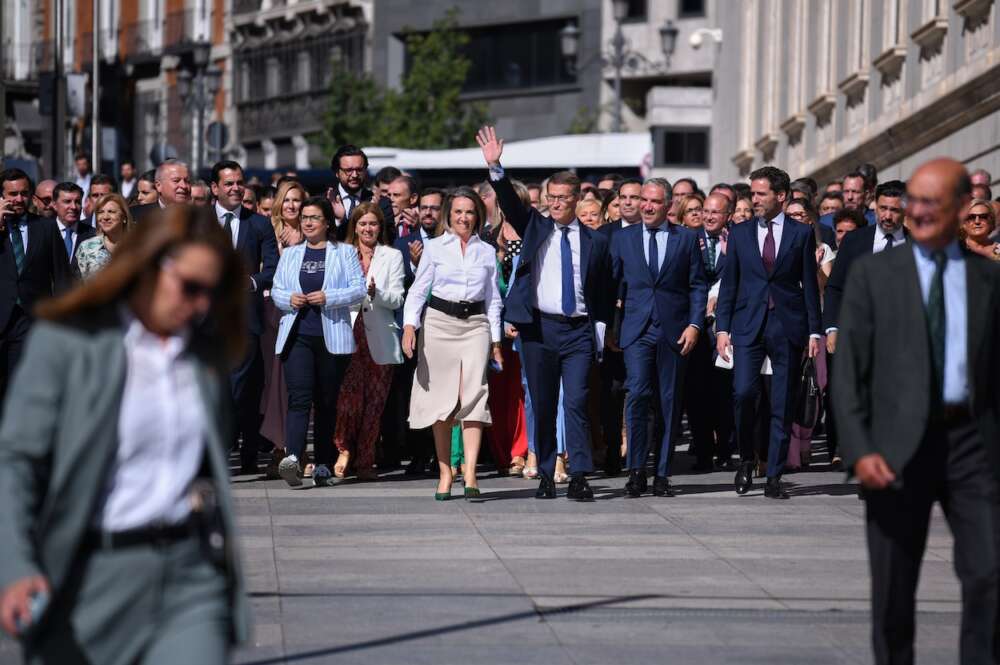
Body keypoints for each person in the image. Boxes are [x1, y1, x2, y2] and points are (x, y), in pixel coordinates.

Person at [0, 204, 250, 664]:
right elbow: (15, 461)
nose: (199, 305)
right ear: (148, 267)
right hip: (89, 576)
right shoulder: (68, 343)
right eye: (190, 287)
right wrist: (14, 566)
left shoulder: (202, 355)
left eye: (210, 294)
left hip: (189, 576)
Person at [833, 158, 1000, 665]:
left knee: (990, 573)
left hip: (973, 445)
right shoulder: (873, 275)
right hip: (895, 446)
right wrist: (859, 450)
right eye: (915, 202)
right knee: (893, 585)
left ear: (959, 209)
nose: (920, 211)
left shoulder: (987, 279)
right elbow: (850, 374)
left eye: (933, 202)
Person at [478, 126, 613, 501]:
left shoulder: (595, 241)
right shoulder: (535, 226)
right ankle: (546, 474)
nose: (555, 203)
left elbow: (603, 290)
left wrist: (600, 331)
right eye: (550, 197)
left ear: (575, 198)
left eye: (562, 198)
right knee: (543, 400)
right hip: (539, 329)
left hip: (578, 332)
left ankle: (580, 473)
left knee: (575, 402)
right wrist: (496, 167)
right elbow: (510, 201)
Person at [716, 165, 822, 500]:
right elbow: (730, 284)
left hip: (787, 326)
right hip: (747, 325)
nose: (755, 199)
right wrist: (722, 328)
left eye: (761, 194)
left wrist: (814, 332)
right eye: (753, 193)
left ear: (781, 196)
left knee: (782, 402)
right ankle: (747, 459)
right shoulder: (740, 233)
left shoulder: (800, 233)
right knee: (744, 393)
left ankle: (774, 474)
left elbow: (807, 286)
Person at [401, 186, 503, 500]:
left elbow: (493, 300)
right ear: (449, 215)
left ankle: (470, 472)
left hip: (475, 326)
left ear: (478, 216)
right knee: (442, 402)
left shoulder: (486, 251)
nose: (463, 217)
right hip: (438, 325)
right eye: (457, 212)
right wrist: (409, 327)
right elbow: (418, 291)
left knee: (474, 397)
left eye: (469, 212)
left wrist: (496, 340)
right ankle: (446, 471)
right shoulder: (434, 247)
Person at [610, 180, 708, 497]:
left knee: (669, 402)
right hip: (637, 331)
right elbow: (612, 284)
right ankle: (636, 470)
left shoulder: (686, 239)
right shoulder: (623, 238)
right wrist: (611, 326)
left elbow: (697, 286)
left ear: (668, 206)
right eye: (644, 200)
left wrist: (695, 325)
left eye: (654, 201)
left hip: (674, 331)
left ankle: (662, 473)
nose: (647, 206)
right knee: (637, 394)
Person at [271, 196, 365, 487]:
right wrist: (289, 299)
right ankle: (294, 459)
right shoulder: (290, 254)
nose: (308, 222)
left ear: (327, 222)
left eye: (314, 218)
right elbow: (276, 291)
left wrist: (329, 297)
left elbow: (358, 290)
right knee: (299, 399)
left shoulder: (344, 252)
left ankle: (324, 464)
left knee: (326, 402)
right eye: (305, 217)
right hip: (297, 334)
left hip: (331, 336)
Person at [823, 180, 909, 472]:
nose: (887, 216)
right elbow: (834, 288)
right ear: (874, 206)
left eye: (895, 210)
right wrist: (831, 327)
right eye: (882, 208)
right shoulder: (856, 241)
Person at [211, 160, 279, 476]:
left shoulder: (259, 224)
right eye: (229, 183)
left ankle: (245, 449)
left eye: (239, 182)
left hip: (247, 318)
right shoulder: (200, 223)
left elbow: (274, 268)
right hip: (207, 321)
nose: (236, 188)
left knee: (244, 388)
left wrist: (252, 282)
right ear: (215, 188)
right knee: (216, 387)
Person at [333, 203, 405, 481]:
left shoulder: (392, 255)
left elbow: (398, 298)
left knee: (374, 404)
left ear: (380, 227)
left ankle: (366, 458)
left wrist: (376, 293)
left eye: (373, 224)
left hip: (379, 335)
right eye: (362, 224)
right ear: (355, 226)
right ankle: (344, 449)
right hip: (348, 335)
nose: (367, 229)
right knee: (348, 401)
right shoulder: (342, 254)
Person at [0, 169, 71, 404]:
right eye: (12, 194)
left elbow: (61, 276)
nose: (19, 199)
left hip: (29, 320)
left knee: (17, 388)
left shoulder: (46, 227)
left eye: (23, 193)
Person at [390, 187, 446, 477]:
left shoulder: (451, 243)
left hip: (445, 329)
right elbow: (397, 289)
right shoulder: (402, 244)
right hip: (412, 330)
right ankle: (417, 454)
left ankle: (443, 457)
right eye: (424, 207)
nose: (428, 213)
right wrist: (413, 266)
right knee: (413, 393)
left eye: (435, 208)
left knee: (441, 392)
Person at [685, 192, 735, 472]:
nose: (709, 216)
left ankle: (726, 448)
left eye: (716, 212)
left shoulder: (738, 240)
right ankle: (703, 451)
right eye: (705, 211)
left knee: (725, 391)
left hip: (726, 326)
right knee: (696, 392)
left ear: (728, 214)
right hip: (696, 325)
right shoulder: (690, 239)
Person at [328, 145, 394, 241]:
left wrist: (374, 215)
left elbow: (390, 238)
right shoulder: (326, 203)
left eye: (359, 170)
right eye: (349, 170)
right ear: (337, 172)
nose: (354, 175)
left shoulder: (381, 203)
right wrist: (339, 221)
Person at [75, 193, 131, 280]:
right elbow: (77, 285)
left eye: (111, 212)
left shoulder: (137, 246)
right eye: (100, 212)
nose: (105, 217)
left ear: (124, 217)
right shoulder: (86, 248)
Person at [785, 198, 835, 291]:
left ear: (810, 219)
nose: (791, 218)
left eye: (797, 214)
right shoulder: (777, 247)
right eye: (788, 215)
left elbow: (826, 287)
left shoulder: (822, 249)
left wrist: (815, 268)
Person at [51, 182, 96, 269]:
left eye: (77, 202)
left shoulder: (93, 235)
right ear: (54, 205)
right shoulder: (44, 233)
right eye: (67, 202)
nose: (74, 207)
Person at [386, 174, 420, 240]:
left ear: (413, 198)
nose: (390, 199)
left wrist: (419, 228)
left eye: (396, 195)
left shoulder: (425, 220)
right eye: (389, 195)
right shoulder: (381, 221)